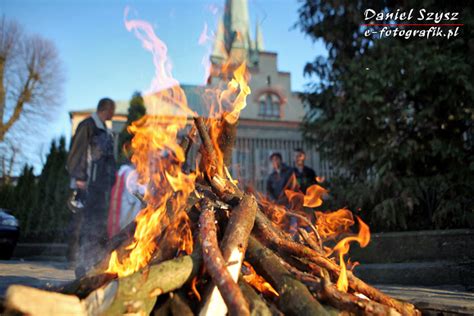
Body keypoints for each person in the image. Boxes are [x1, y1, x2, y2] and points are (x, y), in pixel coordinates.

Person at [66, 98, 116, 277]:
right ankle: (80, 264)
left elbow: (109, 158)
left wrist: (113, 181)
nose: (113, 114)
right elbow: (77, 151)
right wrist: (79, 177)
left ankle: (94, 263)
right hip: (88, 184)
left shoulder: (106, 130)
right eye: (112, 110)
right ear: (105, 109)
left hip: (101, 187)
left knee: (99, 225)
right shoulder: (88, 125)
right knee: (85, 224)